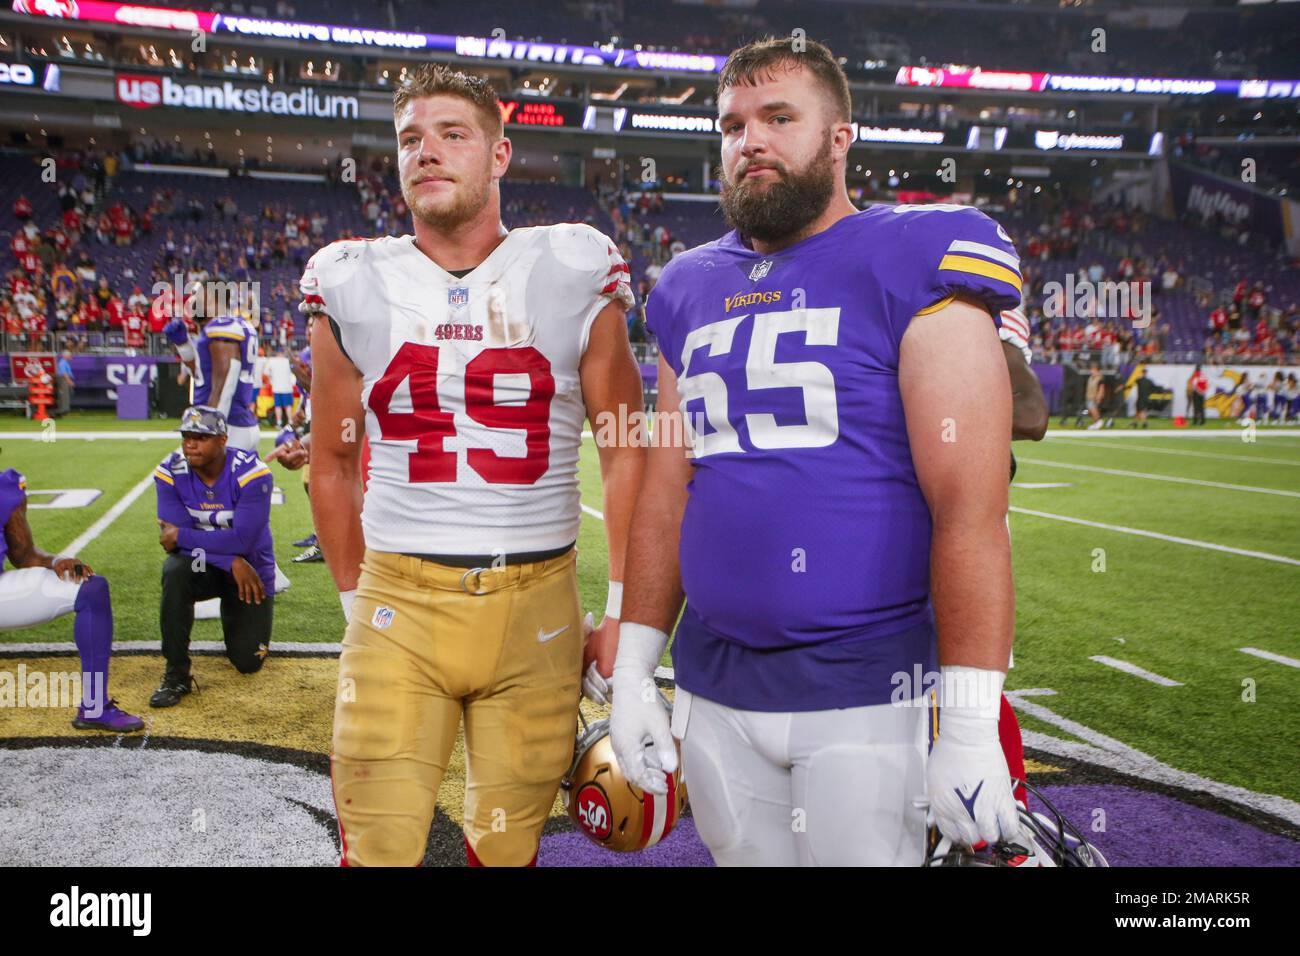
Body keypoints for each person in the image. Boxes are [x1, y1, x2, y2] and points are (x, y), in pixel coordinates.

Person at [608, 37, 1023, 866]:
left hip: (869, 691)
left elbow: (971, 509)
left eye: (779, 117)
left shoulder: (917, 255)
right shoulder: (687, 286)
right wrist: (632, 669)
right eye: (731, 124)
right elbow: (665, 491)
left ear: (840, 139)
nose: (749, 140)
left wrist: (972, 725)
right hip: (714, 685)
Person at [303, 63, 644, 867]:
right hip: (398, 602)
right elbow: (331, 460)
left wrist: (625, 607)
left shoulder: (571, 264)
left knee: (507, 849)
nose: (427, 152)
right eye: (411, 139)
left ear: (499, 153)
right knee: (376, 850)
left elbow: (627, 448)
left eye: (453, 134)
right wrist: (356, 604)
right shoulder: (353, 279)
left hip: (539, 611)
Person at [0, 463, 143, 731]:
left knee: (91, 589)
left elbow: (24, 555)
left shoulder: (7, 486)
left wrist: (57, 560)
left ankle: (94, 706)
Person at [150, 406, 276, 707]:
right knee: (176, 570)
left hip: (252, 571)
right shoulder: (170, 472)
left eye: (201, 437)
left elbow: (243, 540)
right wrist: (230, 561)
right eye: (186, 437)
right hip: (207, 565)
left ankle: (235, 617)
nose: (191, 444)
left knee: (248, 661)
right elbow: (172, 546)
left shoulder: (252, 473)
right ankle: (176, 673)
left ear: (222, 440)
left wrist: (183, 536)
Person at [266, 348, 294, 428]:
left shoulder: (272, 361)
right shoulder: (287, 361)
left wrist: (271, 380)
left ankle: (279, 422)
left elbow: (266, 373)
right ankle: (290, 422)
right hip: (287, 387)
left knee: (278, 406)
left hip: (277, 386)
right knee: (287, 406)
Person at [55, 349, 75, 417]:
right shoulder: (62, 362)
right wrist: (69, 381)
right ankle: (63, 411)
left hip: (64, 380)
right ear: (65, 356)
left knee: (65, 395)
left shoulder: (65, 362)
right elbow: (64, 373)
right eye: (69, 355)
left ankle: (64, 410)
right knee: (64, 396)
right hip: (63, 380)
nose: (71, 357)